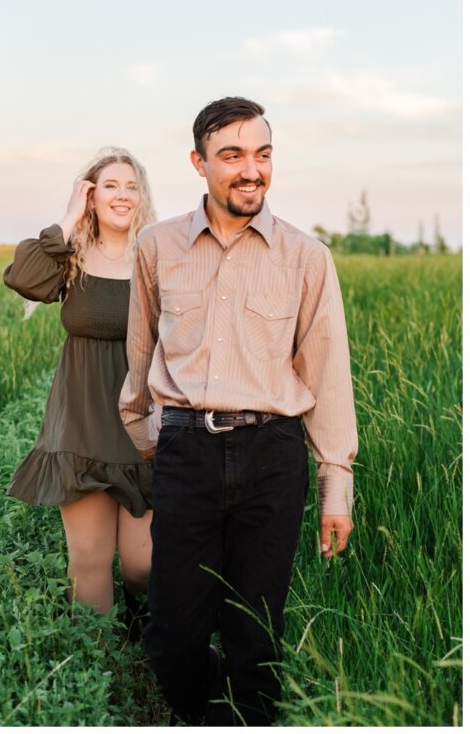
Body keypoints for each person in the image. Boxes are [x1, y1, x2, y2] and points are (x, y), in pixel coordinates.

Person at [118, 97, 357, 725]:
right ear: (199, 163)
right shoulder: (157, 245)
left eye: (263, 154)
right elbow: (139, 354)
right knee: (174, 637)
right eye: (232, 156)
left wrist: (337, 487)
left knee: (255, 635)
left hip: (272, 457)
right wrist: (155, 440)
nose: (251, 170)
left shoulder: (307, 258)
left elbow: (327, 375)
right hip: (186, 452)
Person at [3, 147, 157, 629]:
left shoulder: (158, 254)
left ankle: (144, 633)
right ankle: (102, 674)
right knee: (89, 564)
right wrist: (70, 217)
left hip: (143, 426)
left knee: (143, 565)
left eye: (131, 186)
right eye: (109, 185)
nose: (122, 195)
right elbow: (24, 278)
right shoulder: (72, 257)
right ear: (90, 195)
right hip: (81, 426)